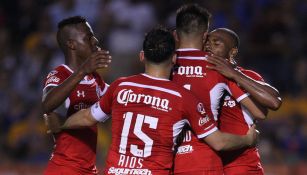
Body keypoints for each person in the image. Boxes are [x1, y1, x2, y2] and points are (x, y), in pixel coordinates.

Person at [60, 27, 258, 175]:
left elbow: (87, 117)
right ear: (174, 59)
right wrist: (247, 139)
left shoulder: (120, 86)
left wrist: (60, 126)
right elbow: (219, 142)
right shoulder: (183, 98)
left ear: (142, 56)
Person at [171, 4, 266, 175]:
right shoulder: (216, 65)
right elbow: (259, 112)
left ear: (175, 35)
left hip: (170, 160)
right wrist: (248, 138)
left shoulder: (164, 64)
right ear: (205, 35)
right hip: (205, 160)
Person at [205, 28, 282, 175]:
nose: (208, 46)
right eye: (207, 42)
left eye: (216, 43)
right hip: (207, 163)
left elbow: (273, 102)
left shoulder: (247, 76)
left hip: (241, 164)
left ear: (232, 52)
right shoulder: (198, 77)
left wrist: (234, 74)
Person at [41, 16, 111, 175]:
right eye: (88, 37)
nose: (95, 41)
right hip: (64, 168)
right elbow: (47, 104)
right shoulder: (59, 74)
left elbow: (119, 96)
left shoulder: (95, 79)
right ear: (71, 44)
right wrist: (82, 71)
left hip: (87, 169)